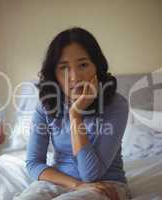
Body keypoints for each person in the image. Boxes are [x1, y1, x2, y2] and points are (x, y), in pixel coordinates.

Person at [14, 27, 131, 200]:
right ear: (54, 74)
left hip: (106, 185)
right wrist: (76, 184)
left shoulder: (116, 104)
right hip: (60, 181)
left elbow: (90, 174)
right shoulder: (46, 106)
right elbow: (33, 163)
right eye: (63, 68)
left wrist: (75, 114)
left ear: (96, 67)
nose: (75, 77)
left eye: (83, 65)